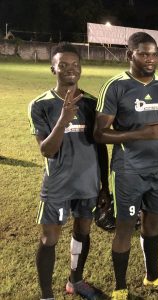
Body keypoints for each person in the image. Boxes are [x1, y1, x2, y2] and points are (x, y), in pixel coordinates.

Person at [93, 32, 158, 300]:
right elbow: (99, 134)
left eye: (154, 54)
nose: (151, 59)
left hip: (156, 171)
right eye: (144, 53)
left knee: (152, 225)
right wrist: (138, 134)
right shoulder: (115, 86)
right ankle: (120, 287)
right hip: (128, 171)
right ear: (129, 54)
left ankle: (152, 277)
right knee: (124, 228)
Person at [28, 42, 109, 300]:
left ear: (81, 68)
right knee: (49, 239)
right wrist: (63, 120)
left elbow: (101, 147)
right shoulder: (40, 105)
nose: (70, 69)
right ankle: (47, 295)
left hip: (88, 183)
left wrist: (104, 186)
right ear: (53, 68)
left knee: (82, 232)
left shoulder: (92, 103)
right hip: (58, 184)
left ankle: (75, 281)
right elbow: (47, 150)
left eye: (75, 65)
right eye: (63, 65)